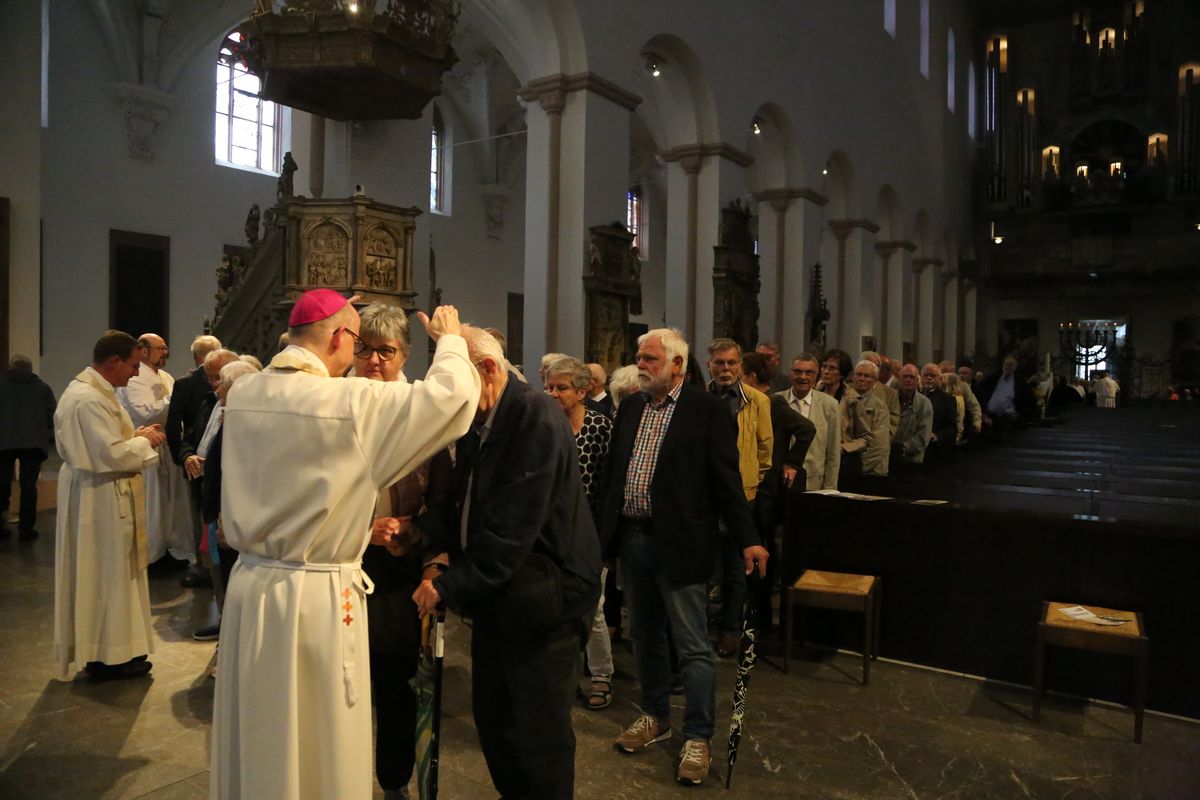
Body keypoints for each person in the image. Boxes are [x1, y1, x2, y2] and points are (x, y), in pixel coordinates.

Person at [211, 292, 479, 800]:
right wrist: (447, 343)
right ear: (340, 339)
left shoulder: (244, 392)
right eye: (356, 341)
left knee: (263, 719)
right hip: (315, 596)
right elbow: (452, 400)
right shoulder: (348, 403)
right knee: (317, 728)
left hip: (251, 587)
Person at [413, 327, 601, 800]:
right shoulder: (485, 419)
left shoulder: (533, 416)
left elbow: (513, 526)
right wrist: (417, 535)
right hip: (505, 598)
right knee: (496, 722)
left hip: (546, 604)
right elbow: (464, 504)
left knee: (538, 735)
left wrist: (449, 586)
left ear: (489, 370)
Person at [602, 328, 768, 786]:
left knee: (692, 645)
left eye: (651, 358)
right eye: (639, 357)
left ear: (677, 365)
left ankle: (698, 734)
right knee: (645, 637)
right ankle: (655, 715)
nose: (642, 364)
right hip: (634, 540)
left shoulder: (706, 410)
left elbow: (725, 480)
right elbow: (618, 473)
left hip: (680, 544)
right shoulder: (632, 406)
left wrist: (748, 537)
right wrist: (605, 539)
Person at [352, 303, 452, 800]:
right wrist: (355, 528)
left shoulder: (422, 411)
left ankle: (393, 781)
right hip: (343, 563)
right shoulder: (336, 401)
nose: (373, 361)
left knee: (395, 685)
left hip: (397, 569)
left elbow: (444, 499)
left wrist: (414, 537)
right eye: (364, 350)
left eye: (385, 352)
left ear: (404, 355)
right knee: (344, 684)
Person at [54, 331, 166, 680]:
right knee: (104, 576)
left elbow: (111, 443)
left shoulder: (97, 393)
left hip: (102, 491)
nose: (136, 373)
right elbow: (110, 454)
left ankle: (116, 651)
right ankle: (105, 656)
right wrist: (144, 441)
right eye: (133, 365)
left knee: (113, 575)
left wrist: (135, 438)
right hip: (98, 497)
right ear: (114, 362)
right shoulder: (88, 399)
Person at [544, 356, 615, 710]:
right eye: (550, 387)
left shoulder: (601, 428)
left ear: (582, 391)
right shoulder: (545, 426)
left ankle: (601, 674)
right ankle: (567, 677)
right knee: (561, 607)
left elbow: (607, 485)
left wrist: (604, 539)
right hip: (554, 534)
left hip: (590, 534)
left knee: (594, 608)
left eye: (562, 388)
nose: (553, 393)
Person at [705, 338, 771, 658]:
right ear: (710, 365)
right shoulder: (698, 398)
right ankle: (701, 624)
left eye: (732, 363)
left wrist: (749, 484)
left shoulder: (756, 401)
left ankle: (730, 629)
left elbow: (764, 448)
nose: (726, 369)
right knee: (703, 564)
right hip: (703, 495)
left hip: (740, 495)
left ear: (741, 367)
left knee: (735, 566)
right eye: (720, 363)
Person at [741, 352, 814, 629]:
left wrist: (791, 462)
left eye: (741, 372)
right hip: (757, 489)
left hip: (768, 492)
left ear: (752, 376)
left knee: (762, 547)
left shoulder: (773, 403)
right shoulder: (752, 403)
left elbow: (806, 428)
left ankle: (760, 611)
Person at [117, 333, 193, 573]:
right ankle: (150, 556)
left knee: (168, 503)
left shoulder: (167, 377)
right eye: (160, 349)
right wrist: (176, 398)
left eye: (166, 348)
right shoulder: (136, 378)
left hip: (166, 445)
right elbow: (145, 413)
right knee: (152, 503)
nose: (165, 353)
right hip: (147, 445)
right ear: (145, 351)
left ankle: (166, 549)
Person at [166, 334, 225, 588]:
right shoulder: (208, 401)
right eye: (213, 378)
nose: (215, 385)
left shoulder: (187, 385)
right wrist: (186, 456)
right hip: (197, 464)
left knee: (203, 519)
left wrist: (181, 457)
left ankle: (208, 568)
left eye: (219, 379)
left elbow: (173, 428)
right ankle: (208, 568)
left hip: (210, 470)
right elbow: (183, 430)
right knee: (202, 518)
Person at [0, 355, 57, 540]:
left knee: (1, 484)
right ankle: (26, 528)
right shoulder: (42, 388)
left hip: (3, 442)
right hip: (33, 443)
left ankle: (1, 526)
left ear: (11, 367)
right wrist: (45, 434)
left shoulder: (2, 385)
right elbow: (53, 416)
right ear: (30, 369)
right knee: (29, 486)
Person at [777, 354, 842, 491]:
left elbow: (833, 453)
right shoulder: (775, 401)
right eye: (798, 371)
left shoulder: (829, 405)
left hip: (813, 484)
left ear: (816, 375)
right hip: (778, 481)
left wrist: (830, 489)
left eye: (809, 373)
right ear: (790, 373)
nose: (803, 377)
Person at [840, 360, 891, 483]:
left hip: (870, 468)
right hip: (844, 464)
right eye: (858, 374)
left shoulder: (880, 406)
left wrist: (857, 466)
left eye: (866, 376)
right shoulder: (843, 399)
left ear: (874, 381)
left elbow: (878, 443)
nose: (861, 379)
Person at [893, 364, 934, 465]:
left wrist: (902, 448)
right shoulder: (890, 398)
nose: (908, 380)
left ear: (917, 380)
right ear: (899, 378)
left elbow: (924, 434)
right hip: (888, 456)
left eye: (912, 377)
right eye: (905, 376)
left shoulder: (924, 403)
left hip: (912, 459)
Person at [920, 363, 958, 457]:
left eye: (933, 376)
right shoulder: (913, 396)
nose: (929, 378)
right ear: (920, 377)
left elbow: (952, 428)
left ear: (940, 379)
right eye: (926, 375)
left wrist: (937, 436)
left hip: (935, 450)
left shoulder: (948, 400)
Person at [860, 351, 899, 436]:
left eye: (876, 366)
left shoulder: (890, 394)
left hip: (877, 444)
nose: (872, 369)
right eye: (867, 365)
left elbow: (892, 426)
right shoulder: (847, 390)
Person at [942, 360, 981, 439]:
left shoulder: (963, 386)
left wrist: (977, 423)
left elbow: (974, 406)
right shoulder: (937, 386)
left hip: (958, 426)